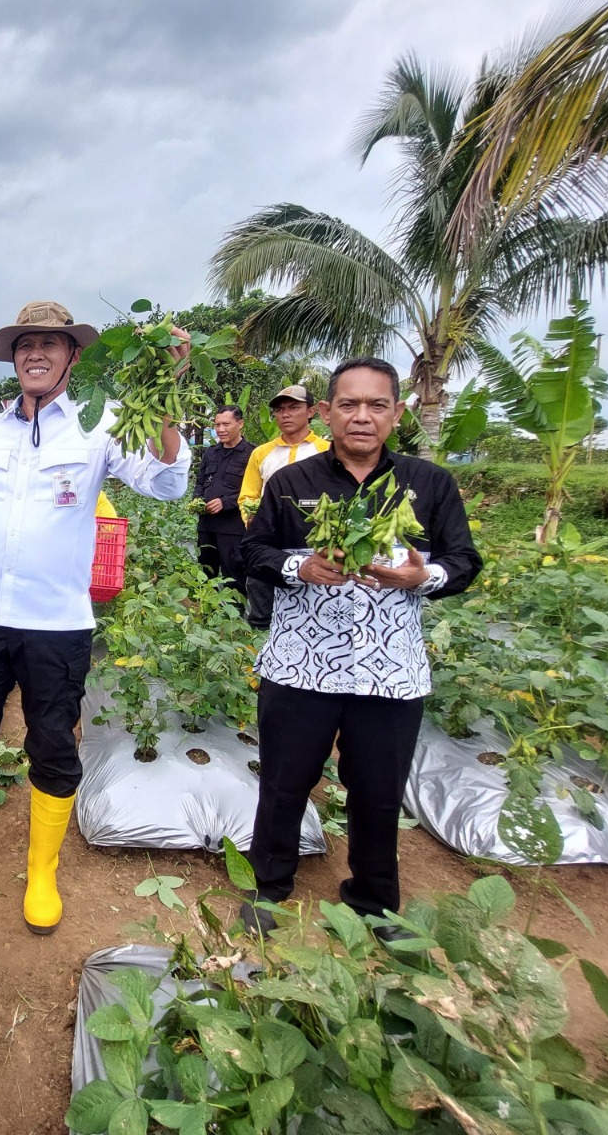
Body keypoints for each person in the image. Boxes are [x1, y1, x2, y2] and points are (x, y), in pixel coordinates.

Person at [0, 301, 191, 935]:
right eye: (25, 344)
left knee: (52, 743)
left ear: (73, 356)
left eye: (50, 342)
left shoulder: (100, 429)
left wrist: (165, 400)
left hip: (58, 623)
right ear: (12, 357)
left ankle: (42, 871)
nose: (36, 353)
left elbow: (166, 484)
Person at [239, 357, 482, 935]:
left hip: (389, 672)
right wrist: (301, 565)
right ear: (327, 412)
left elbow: (465, 561)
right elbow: (251, 553)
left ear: (397, 414)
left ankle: (373, 901)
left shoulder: (429, 485)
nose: (362, 417)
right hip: (302, 664)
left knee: (377, 791)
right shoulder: (292, 483)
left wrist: (425, 577)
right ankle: (268, 888)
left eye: (377, 405)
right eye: (349, 404)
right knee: (283, 782)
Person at [237, 385, 329, 629]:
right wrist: (251, 516)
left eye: (294, 408)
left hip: (313, 538)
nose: (285, 414)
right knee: (261, 591)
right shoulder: (262, 453)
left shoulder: (328, 451)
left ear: (311, 412)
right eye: (279, 410)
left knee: (313, 597)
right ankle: (257, 645)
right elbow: (248, 494)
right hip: (268, 537)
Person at [193, 405, 255, 598]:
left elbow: (255, 491)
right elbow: (200, 481)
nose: (221, 429)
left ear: (240, 423)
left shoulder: (252, 454)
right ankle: (205, 617)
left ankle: (233, 623)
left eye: (226, 424)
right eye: (217, 424)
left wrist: (226, 502)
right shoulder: (211, 453)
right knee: (205, 574)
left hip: (233, 528)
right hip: (207, 526)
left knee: (234, 575)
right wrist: (197, 500)